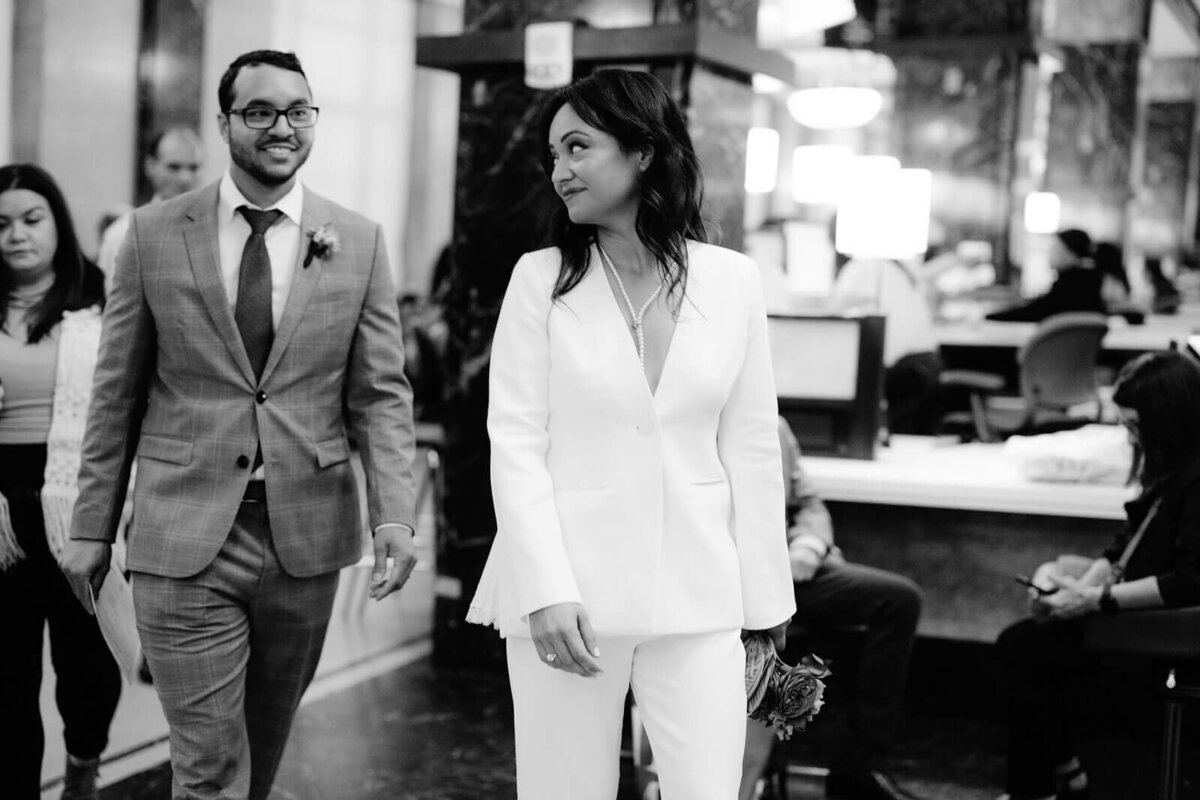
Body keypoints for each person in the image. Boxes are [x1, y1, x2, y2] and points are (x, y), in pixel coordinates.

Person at [58, 49, 420, 800]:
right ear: (224, 123)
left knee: (261, 756)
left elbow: (381, 395)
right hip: (182, 530)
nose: (281, 126)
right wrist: (92, 525)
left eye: (298, 110)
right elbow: (115, 391)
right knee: (211, 768)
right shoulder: (153, 234)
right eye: (259, 111)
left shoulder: (358, 240)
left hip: (306, 538)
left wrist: (396, 516)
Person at [466, 69, 795, 799]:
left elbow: (751, 447)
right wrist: (545, 589)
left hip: (701, 592)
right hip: (567, 596)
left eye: (578, 147)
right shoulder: (539, 280)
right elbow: (513, 443)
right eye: (552, 155)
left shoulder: (732, 281)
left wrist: (767, 603)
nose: (560, 171)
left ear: (643, 151)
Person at [995, 350, 1200, 800]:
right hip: (1142, 614)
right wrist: (1079, 585)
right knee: (1033, 643)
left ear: (1167, 420)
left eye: (1134, 425)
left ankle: (1041, 784)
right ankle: (1063, 772)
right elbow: (1125, 546)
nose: (1129, 436)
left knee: (1025, 648)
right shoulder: (1170, 468)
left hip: (1172, 629)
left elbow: (1189, 580)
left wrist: (1096, 600)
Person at [0, 163, 114, 800]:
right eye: (1, 224)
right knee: (7, 680)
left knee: (86, 672)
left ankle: (82, 770)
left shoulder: (100, 299)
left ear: (57, 223)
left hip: (78, 501)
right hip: (1, 513)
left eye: (31, 219)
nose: (16, 235)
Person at [740, 418, 925, 800]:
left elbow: (808, 501)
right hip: (735, 577)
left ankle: (859, 769)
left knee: (899, 601)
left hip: (794, 571)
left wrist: (807, 543)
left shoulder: (773, 424)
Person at [829, 257, 945, 435]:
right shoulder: (898, 268)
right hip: (927, 365)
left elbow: (837, 318)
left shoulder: (864, 268)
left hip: (908, 371)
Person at [95, 127, 204, 279]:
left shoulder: (213, 230)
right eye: (174, 167)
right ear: (151, 167)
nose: (185, 178)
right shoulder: (124, 233)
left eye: (193, 168)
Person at [987, 229, 1104, 322]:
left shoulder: (1073, 283)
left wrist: (990, 317)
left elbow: (1037, 311)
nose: (1049, 255)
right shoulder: (1090, 279)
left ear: (1071, 253)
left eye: (1055, 250)